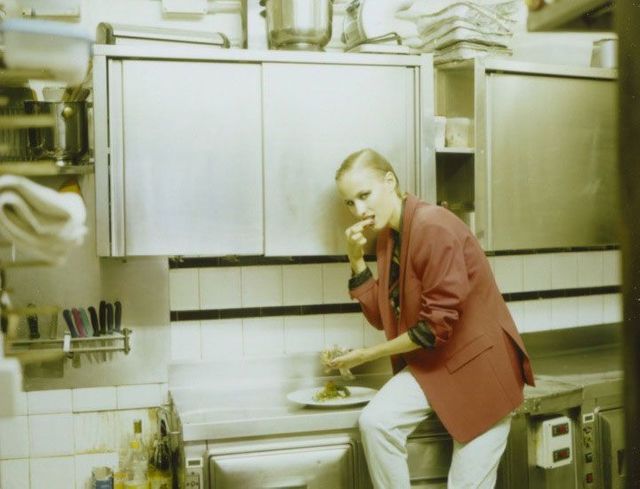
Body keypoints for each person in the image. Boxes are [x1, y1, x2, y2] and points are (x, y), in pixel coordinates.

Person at [329, 148, 535, 489]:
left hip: (482, 372)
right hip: (439, 364)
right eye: (350, 203)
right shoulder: (389, 237)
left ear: (390, 181)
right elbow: (382, 317)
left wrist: (366, 355)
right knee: (377, 422)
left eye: (365, 195)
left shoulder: (432, 225)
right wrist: (356, 259)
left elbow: (433, 328)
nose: (359, 210)